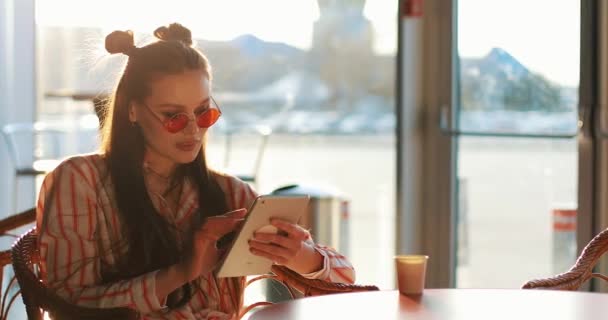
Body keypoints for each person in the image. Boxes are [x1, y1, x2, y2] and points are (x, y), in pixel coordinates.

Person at [36, 23, 355, 320]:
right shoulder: (79, 180)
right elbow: (68, 303)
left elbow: (346, 279)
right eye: (173, 116)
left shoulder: (230, 193)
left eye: (204, 113)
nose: (192, 130)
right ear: (132, 110)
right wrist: (181, 272)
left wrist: (304, 257)